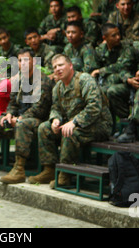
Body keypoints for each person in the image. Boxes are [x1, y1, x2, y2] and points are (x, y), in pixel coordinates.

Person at [0, 48, 54, 184]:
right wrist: (9, 114)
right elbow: (13, 102)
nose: (23, 63)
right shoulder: (19, 80)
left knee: (22, 124)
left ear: (34, 61)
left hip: (38, 120)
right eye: (20, 61)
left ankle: (19, 168)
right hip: (19, 118)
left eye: (26, 60)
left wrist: (20, 119)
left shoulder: (42, 80)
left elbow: (40, 108)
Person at [30, 54, 112, 186]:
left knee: (69, 132)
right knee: (44, 128)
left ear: (70, 65)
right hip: (75, 124)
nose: (58, 69)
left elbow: (94, 107)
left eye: (61, 65)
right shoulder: (58, 87)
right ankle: (49, 169)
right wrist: (55, 119)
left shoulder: (84, 80)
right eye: (55, 67)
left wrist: (74, 122)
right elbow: (55, 108)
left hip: (98, 125)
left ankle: (65, 174)